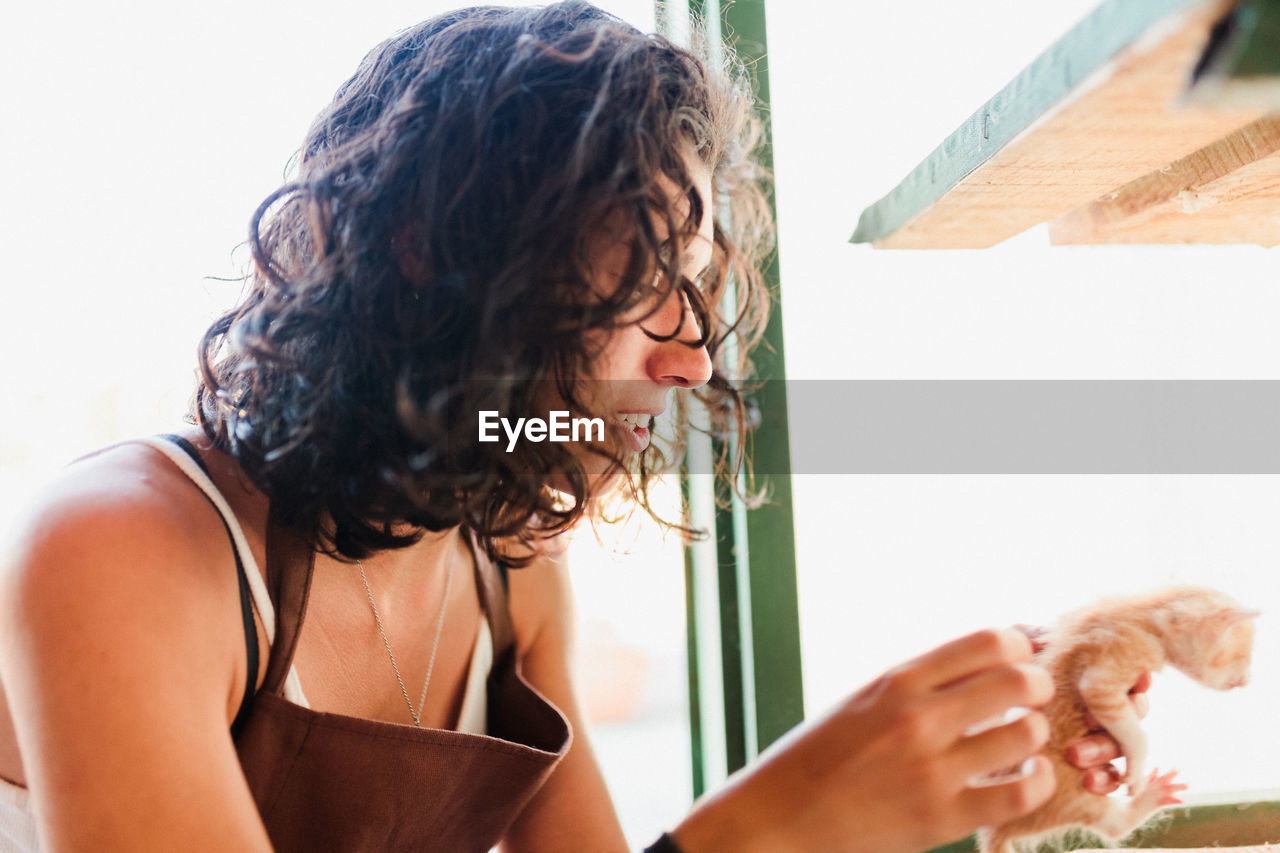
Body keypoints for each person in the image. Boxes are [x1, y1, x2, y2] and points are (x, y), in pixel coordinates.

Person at [0, 3, 1146, 851]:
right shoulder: (117, 552)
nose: (690, 355)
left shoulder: (507, 568)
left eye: (694, 290)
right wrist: (777, 825)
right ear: (436, 260)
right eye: (643, 283)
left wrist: (965, 793)